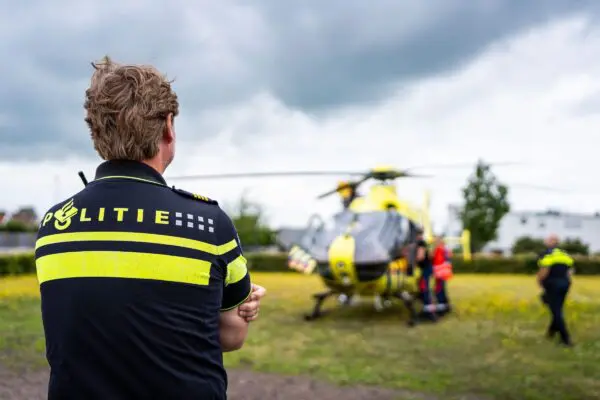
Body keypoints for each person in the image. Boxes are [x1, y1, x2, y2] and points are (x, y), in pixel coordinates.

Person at [35, 56, 266, 399]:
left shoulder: (53, 226)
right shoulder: (209, 224)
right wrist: (244, 303)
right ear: (168, 127)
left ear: (96, 132)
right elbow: (230, 336)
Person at [537, 234, 574, 346]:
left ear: (551, 242)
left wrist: (539, 282)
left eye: (548, 239)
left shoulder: (547, 254)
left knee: (556, 311)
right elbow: (570, 271)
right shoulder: (565, 254)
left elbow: (544, 271)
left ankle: (565, 338)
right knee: (557, 308)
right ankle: (551, 332)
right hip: (565, 283)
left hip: (553, 284)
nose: (546, 240)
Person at [414, 227, 436, 321]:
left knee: (424, 288)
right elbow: (430, 255)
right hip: (427, 268)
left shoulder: (420, 243)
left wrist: (412, 261)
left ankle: (429, 314)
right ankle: (426, 308)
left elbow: (420, 257)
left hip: (426, 268)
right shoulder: (423, 242)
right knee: (422, 286)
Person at [432, 236, 453, 315]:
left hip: (440, 274)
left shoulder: (440, 249)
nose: (434, 242)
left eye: (436, 241)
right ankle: (447, 306)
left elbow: (437, 261)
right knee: (442, 290)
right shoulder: (445, 249)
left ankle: (442, 309)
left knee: (439, 291)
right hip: (443, 274)